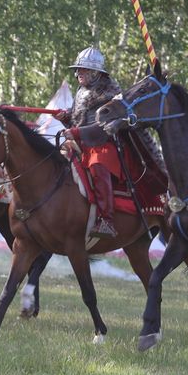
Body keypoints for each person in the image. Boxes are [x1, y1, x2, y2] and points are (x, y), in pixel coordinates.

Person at [57, 47, 122, 239]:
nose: (78, 74)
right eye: (78, 70)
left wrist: (75, 131)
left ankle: (106, 220)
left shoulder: (110, 93)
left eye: (83, 70)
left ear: (95, 72)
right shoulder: (81, 92)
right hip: (80, 142)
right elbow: (77, 121)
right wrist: (65, 119)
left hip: (102, 143)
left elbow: (103, 126)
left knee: (97, 167)